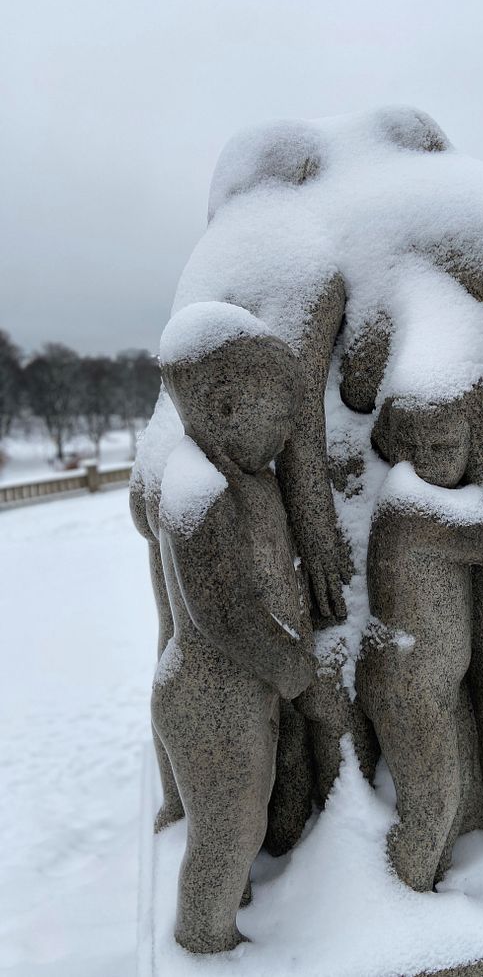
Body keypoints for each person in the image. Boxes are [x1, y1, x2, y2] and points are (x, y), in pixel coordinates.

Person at [152, 305, 315, 953]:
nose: (285, 430)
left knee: (245, 814)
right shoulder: (197, 489)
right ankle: (204, 938)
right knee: (229, 826)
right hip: (209, 700)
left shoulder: (244, 478)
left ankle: (229, 907)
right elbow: (220, 609)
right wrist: (287, 662)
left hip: (237, 699)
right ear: (222, 407)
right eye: (276, 412)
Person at [356, 393, 483, 892]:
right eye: (413, 447)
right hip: (408, 682)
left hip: (431, 679)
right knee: (433, 804)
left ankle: (429, 880)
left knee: (455, 797)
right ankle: (403, 898)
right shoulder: (406, 504)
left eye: (442, 448)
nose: (426, 460)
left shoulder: (422, 500)